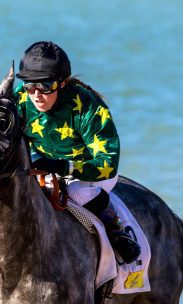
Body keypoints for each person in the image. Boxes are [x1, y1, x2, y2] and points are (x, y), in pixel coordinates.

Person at [14, 41, 141, 264]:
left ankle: (117, 232)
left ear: (62, 83)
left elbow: (107, 164)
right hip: (44, 167)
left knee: (77, 191)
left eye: (45, 86)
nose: (36, 95)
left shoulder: (89, 107)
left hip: (91, 173)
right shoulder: (20, 98)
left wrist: (64, 167)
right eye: (29, 86)